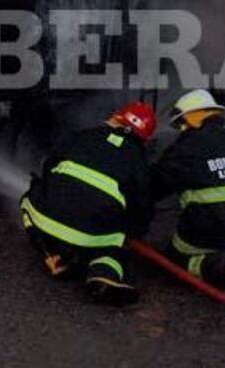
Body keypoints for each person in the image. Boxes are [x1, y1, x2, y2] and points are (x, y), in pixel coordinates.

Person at [20, 101, 156, 306]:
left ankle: (52, 254)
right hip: (93, 233)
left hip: (49, 219)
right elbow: (142, 205)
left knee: (27, 200)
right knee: (113, 249)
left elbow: (49, 165)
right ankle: (103, 274)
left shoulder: (84, 136)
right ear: (144, 139)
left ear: (116, 119)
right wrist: (132, 232)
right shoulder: (138, 159)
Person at [151, 89, 225, 298]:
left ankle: (221, 268)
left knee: (172, 261)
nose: (180, 129)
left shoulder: (186, 147)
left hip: (214, 220)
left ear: (190, 118)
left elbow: (154, 187)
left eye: (181, 123)